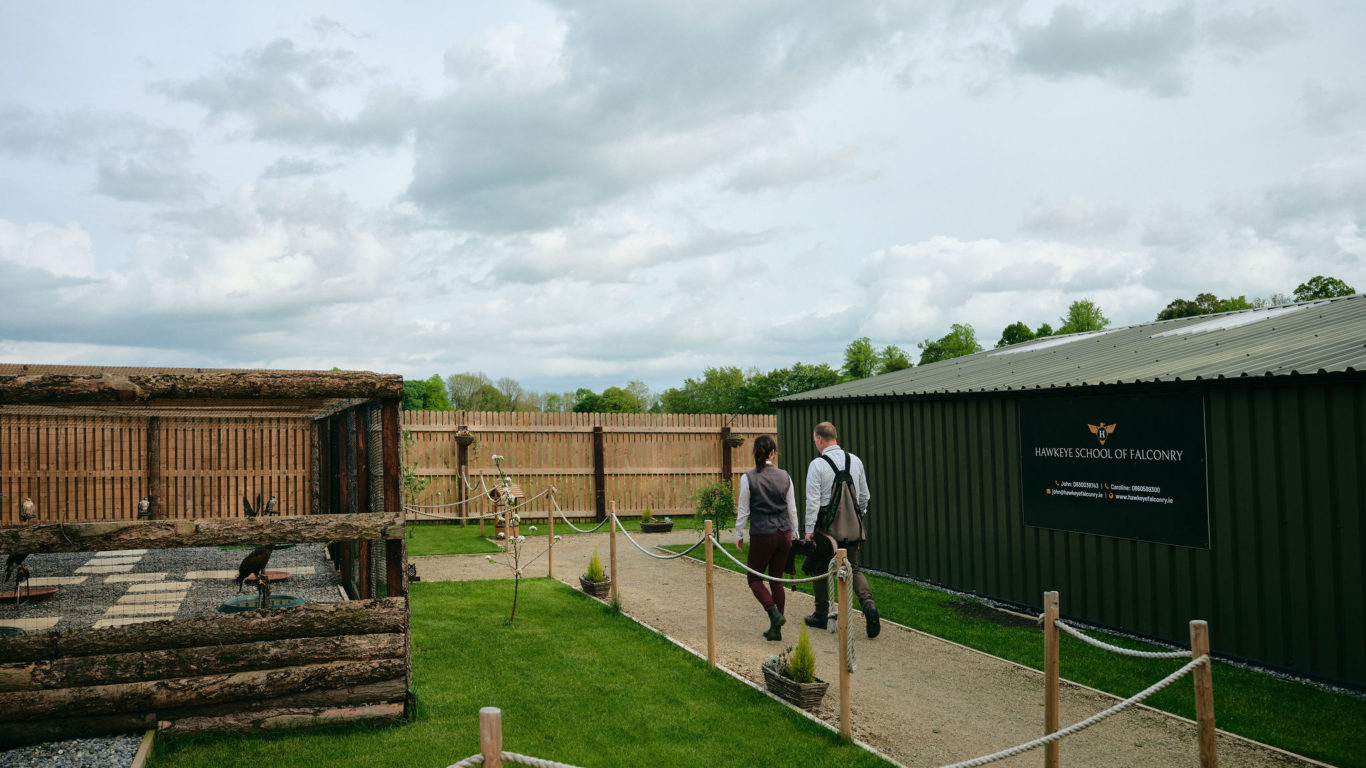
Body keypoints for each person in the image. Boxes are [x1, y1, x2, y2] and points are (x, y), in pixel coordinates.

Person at [803, 421, 880, 638]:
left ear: (819, 439)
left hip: (826, 531)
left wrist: (809, 531)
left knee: (819, 566)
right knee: (854, 568)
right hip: (852, 528)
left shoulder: (817, 465)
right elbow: (865, 496)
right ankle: (869, 606)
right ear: (834, 437)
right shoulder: (855, 460)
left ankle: (821, 613)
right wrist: (856, 516)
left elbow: (813, 501)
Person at [735, 434, 799, 641]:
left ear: (754, 452)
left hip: (763, 534)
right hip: (784, 534)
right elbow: (792, 509)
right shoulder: (785, 476)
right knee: (776, 580)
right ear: (773, 453)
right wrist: (795, 533)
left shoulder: (748, 478)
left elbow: (743, 510)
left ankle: (773, 612)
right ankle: (776, 630)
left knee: (754, 578)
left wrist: (739, 534)